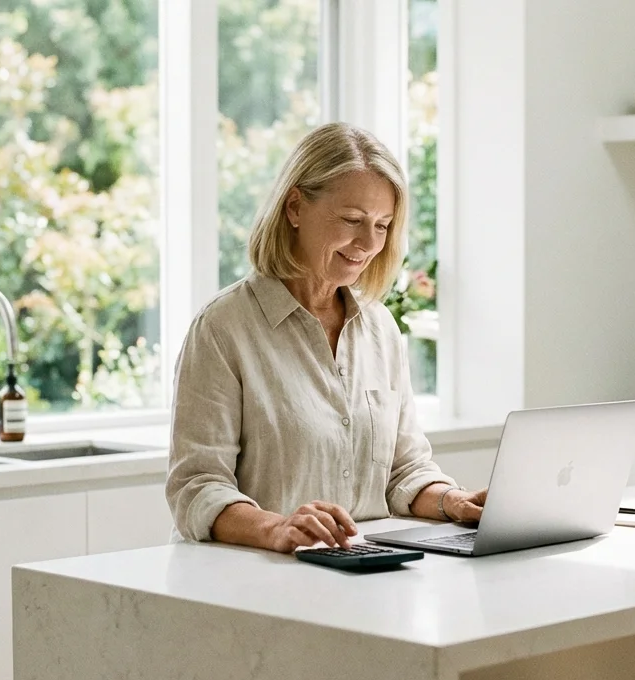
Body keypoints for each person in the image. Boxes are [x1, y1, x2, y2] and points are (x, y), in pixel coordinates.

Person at [166, 122, 487, 553]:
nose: (368, 243)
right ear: (295, 207)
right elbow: (196, 487)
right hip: (256, 582)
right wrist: (277, 528)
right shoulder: (224, 328)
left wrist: (453, 501)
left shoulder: (381, 329)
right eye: (352, 220)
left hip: (366, 574)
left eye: (383, 224)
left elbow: (404, 470)